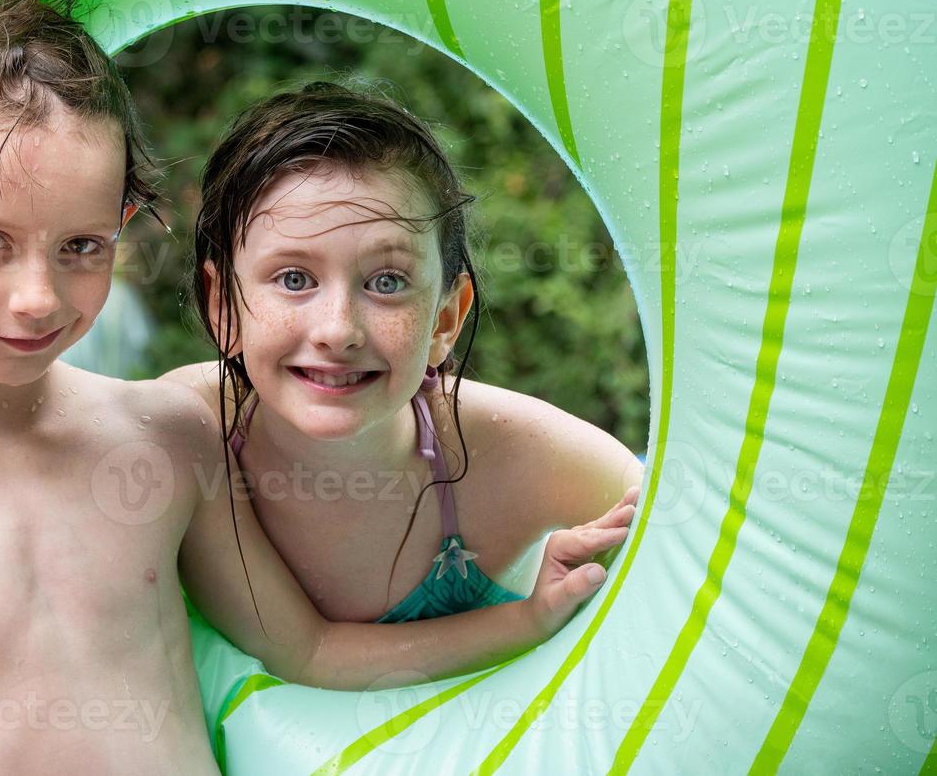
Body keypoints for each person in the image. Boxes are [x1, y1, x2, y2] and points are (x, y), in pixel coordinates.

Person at [0, 0, 635, 775]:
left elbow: (310, 650)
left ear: (118, 230)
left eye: (79, 247)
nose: (37, 297)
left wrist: (526, 622)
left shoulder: (169, 438)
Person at [164, 81, 643, 626]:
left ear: (444, 319)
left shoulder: (518, 453)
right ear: (225, 307)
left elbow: (704, 548)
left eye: (387, 282)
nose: (338, 330)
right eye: (294, 278)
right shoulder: (185, 430)